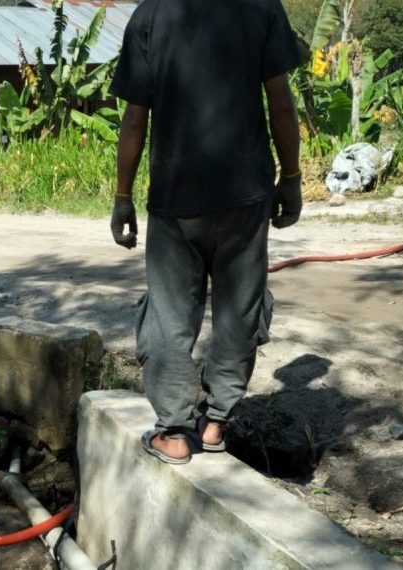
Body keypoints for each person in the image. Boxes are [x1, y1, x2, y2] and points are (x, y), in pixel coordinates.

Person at [109, 0, 303, 464]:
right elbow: (281, 101)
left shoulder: (150, 16)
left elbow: (135, 119)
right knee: (240, 311)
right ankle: (215, 423)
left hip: (177, 199)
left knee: (170, 315)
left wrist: (122, 195)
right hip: (246, 196)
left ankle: (174, 433)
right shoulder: (261, 9)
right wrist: (291, 178)